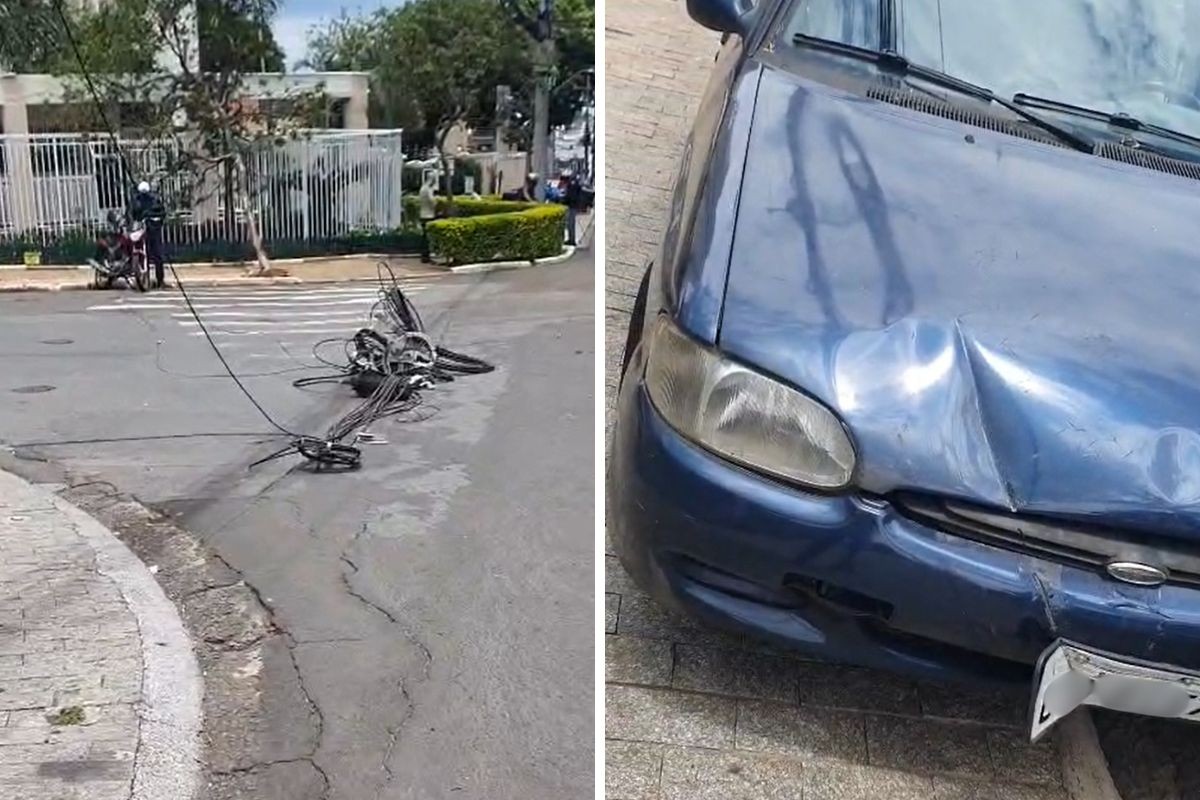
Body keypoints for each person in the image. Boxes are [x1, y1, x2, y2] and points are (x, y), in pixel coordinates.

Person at [130, 181, 166, 288]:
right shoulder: (136, 201)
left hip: (153, 230)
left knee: (157, 254)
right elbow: (131, 213)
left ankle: (160, 280)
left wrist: (154, 218)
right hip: (141, 229)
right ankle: (144, 279)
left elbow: (161, 213)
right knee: (144, 252)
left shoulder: (154, 200)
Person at [418, 172, 437, 263]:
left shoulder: (422, 188)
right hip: (429, 215)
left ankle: (424, 256)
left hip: (423, 214)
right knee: (427, 238)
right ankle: (426, 257)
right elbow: (432, 201)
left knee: (424, 237)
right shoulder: (428, 189)